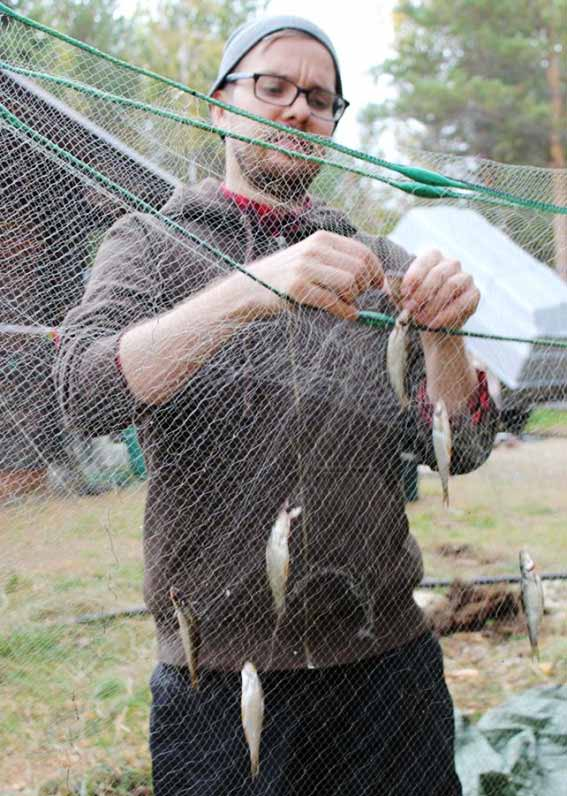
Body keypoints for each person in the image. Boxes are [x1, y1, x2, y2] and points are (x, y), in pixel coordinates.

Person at [55, 16, 498, 795]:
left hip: (387, 665)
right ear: (220, 104)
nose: (298, 108)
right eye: (274, 87)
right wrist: (247, 292)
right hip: (222, 677)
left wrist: (444, 339)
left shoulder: (377, 264)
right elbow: (87, 391)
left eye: (320, 99)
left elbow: (458, 448)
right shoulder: (150, 244)